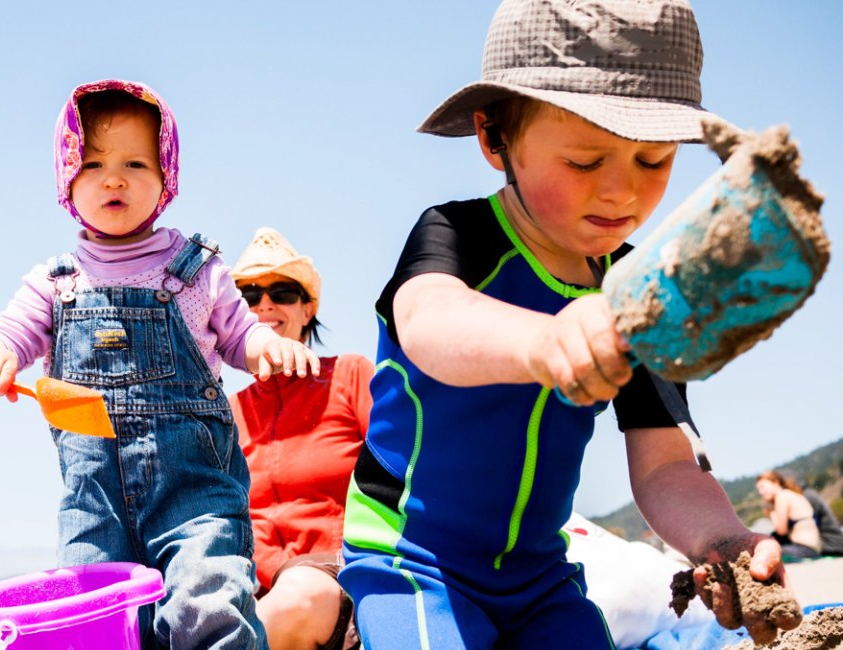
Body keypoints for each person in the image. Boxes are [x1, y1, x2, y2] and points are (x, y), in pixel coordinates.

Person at [338, 1, 798, 647]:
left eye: (653, 160)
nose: (621, 192)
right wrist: (546, 340)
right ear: (494, 139)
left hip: (539, 575)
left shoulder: (637, 293)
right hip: (413, 560)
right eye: (585, 162)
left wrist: (720, 541)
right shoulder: (457, 233)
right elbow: (430, 322)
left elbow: (665, 463)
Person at [0, 79, 320, 649]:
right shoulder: (55, 283)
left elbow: (240, 335)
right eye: (94, 163)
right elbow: (12, 331)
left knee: (210, 601)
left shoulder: (195, 271)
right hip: (93, 507)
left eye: (136, 162)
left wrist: (266, 348)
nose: (114, 177)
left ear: (166, 177)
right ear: (66, 179)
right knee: (92, 626)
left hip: (194, 496)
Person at [229, 228, 374, 650]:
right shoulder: (227, 413)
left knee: (295, 598)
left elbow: (407, 471)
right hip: (254, 588)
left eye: (283, 292)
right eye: (250, 296)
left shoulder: (350, 375)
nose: (266, 304)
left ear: (308, 309)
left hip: (334, 578)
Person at [756, 470, 822, 561]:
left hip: (803, 549)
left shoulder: (782, 496)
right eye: (758, 489)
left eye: (762, 487)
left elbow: (781, 531)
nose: (760, 492)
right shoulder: (790, 494)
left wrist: (772, 514)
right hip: (812, 548)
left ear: (776, 483)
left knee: (766, 554)